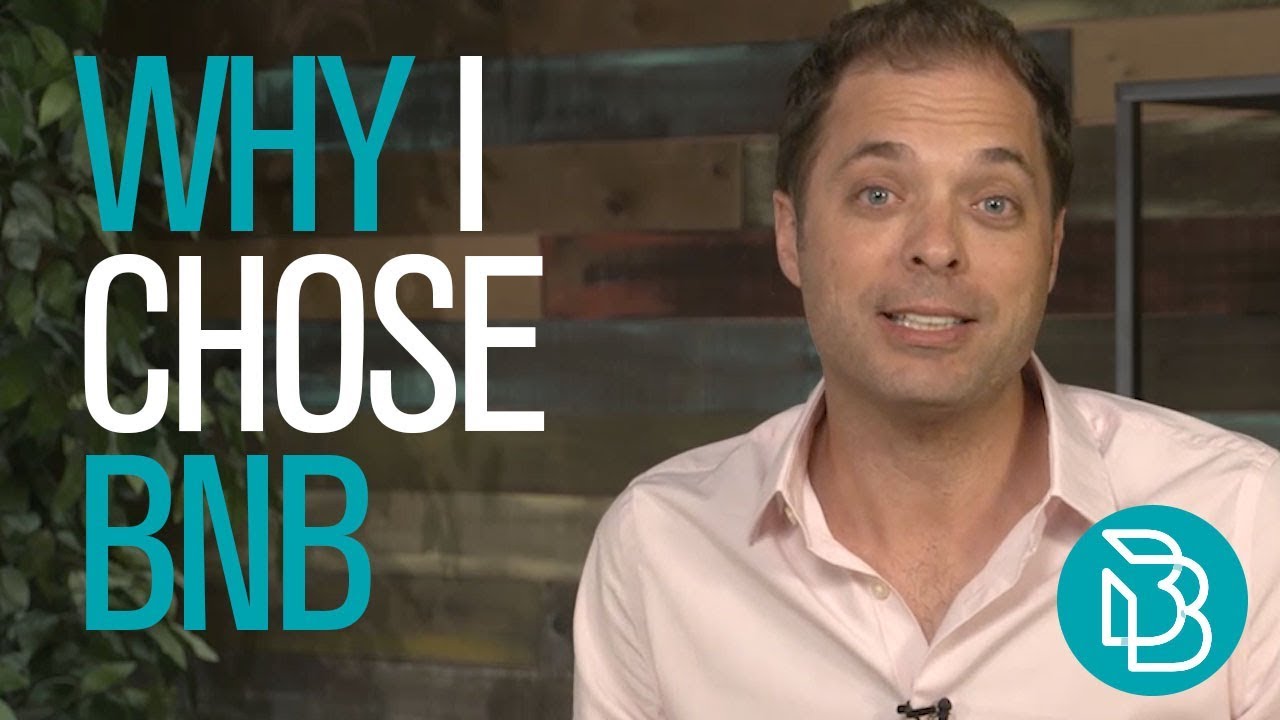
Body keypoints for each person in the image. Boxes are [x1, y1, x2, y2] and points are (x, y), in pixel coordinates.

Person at [571, 0, 1280, 717]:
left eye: (994, 204)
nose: (937, 246)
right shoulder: (659, 545)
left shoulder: (1242, 521)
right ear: (791, 235)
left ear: (1052, 250)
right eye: (878, 194)